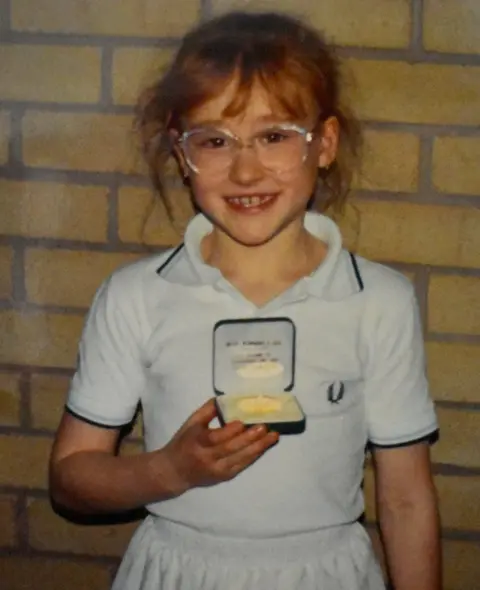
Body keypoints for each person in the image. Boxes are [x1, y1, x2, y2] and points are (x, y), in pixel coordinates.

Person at [49, 11, 441, 590]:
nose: (246, 169)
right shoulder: (137, 296)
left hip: (327, 573)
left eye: (275, 136)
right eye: (214, 140)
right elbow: (70, 479)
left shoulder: (378, 301)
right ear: (183, 156)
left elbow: (406, 497)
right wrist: (170, 469)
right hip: (176, 571)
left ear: (325, 144)